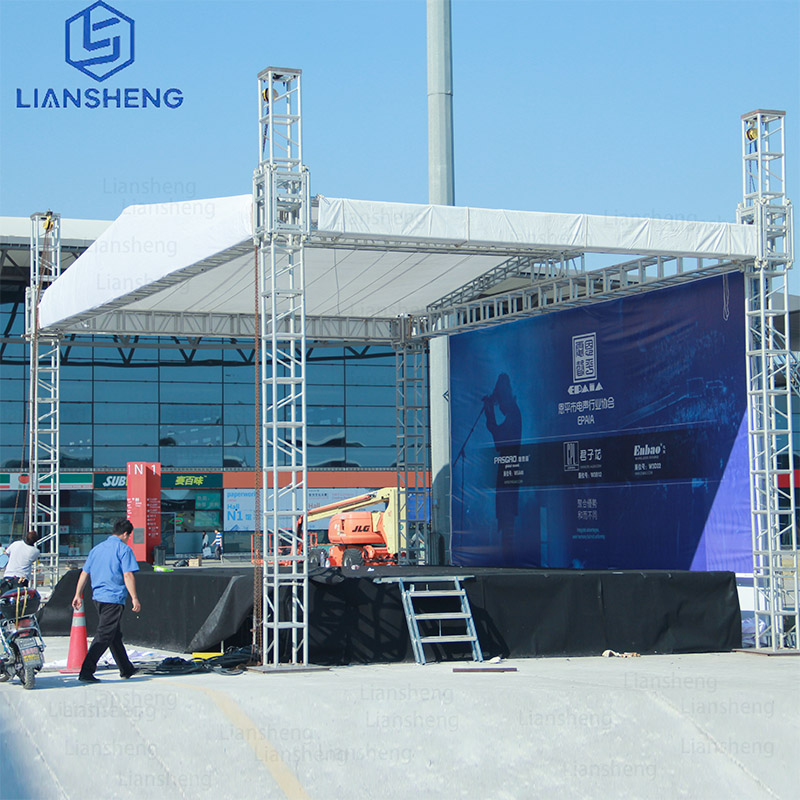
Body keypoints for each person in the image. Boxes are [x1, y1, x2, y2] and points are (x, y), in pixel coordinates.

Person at [71, 518, 141, 683]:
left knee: (113, 634)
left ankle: (126, 668)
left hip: (98, 598)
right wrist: (134, 597)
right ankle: (86, 671)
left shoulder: (97, 549)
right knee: (104, 635)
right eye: (128, 536)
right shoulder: (124, 550)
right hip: (113, 598)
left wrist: (77, 594)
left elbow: (84, 573)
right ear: (125, 534)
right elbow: (128, 574)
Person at [483, 373, 522, 564]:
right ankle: (508, 558)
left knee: (507, 521)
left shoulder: (514, 414)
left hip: (510, 474)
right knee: (506, 521)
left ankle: (510, 561)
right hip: (507, 473)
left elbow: (499, 441)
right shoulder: (513, 414)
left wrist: (490, 414)